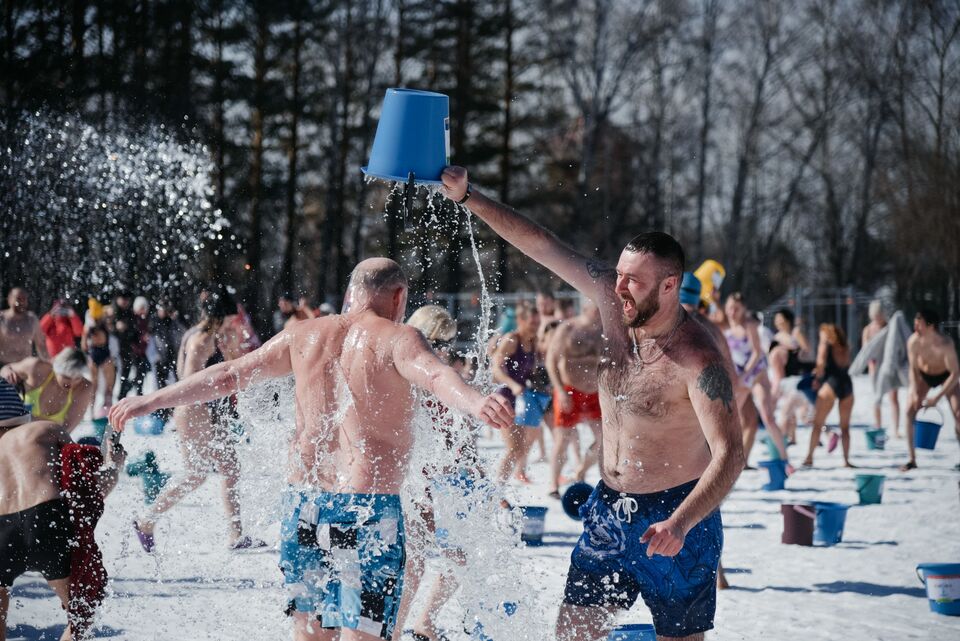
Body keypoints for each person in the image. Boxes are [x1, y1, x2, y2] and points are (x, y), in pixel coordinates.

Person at [109, 257, 512, 641]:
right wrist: (476, 403)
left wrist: (151, 400)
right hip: (367, 510)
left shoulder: (304, 334)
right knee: (364, 631)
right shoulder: (399, 338)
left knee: (309, 630)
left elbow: (232, 374)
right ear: (399, 295)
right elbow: (438, 376)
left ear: (352, 293)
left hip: (304, 506)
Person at [441, 167, 743, 641]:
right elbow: (542, 245)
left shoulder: (697, 359)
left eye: (634, 282)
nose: (619, 287)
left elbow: (730, 454)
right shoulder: (613, 301)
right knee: (572, 634)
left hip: (677, 517)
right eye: (619, 275)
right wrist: (468, 197)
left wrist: (681, 523)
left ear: (669, 286)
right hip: (609, 511)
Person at [129, 290, 262, 551]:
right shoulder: (201, 340)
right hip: (195, 410)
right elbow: (189, 379)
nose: (232, 324)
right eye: (229, 319)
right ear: (218, 317)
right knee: (197, 474)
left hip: (203, 409)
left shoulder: (207, 335)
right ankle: (146, 521)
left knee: (227, 467)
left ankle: (236, 534)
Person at [0, 379, 124, 641]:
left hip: (2, 530)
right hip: (46, 518)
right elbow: (86, 491)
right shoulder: (45, 429)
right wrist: (115, 466)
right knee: (81, 615)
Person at [723, 293, 791, 465]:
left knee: (767, 416)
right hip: (739, 377)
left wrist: (744, 375)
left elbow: (757, 352)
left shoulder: (749, 325)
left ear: (743, 309)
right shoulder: (724, 326)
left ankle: (784, 458)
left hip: (755, 373)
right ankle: (726, 459)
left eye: (736, 308)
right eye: (730, 307)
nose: (732, 312)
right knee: (729, 419)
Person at [545, 298, 603, 497]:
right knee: (562, 440)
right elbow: (551, 362)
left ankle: (582, 470)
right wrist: (560, 390)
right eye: (595, 307)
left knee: (604, 440)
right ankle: (553, 485)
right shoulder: (568, 329)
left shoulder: (603, 331)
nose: (598, 311)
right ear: (585, 306)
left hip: (595, 392)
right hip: (569, 390)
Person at [900, 309, 960, 471]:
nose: (915, 327)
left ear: (930, 326)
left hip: (946, 376)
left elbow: (955, 373)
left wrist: (937, 397)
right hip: (924, 377)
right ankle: (912, 459)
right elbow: (912, 369)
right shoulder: (913, 342)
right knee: (908, 411)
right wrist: (913, 390)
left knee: (958, 414)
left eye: (918, 324)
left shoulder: (945, 344)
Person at [491, 300, 541, 484]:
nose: (536, 326)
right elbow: (495, 368)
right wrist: (512, 384)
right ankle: (497, 487)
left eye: (538, 322)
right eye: (532, 323)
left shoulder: (533, 342)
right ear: (521, 320)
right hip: (504, 397)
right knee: (514, 448)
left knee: (520, 447)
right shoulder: (512, 339)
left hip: (521, 398)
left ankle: (505, 482)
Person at [0, 349, 94, 432]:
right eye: (66, 377)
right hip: (13, 429)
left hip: (42, 438)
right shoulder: (37, 367)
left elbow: (67, 429)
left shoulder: (83, 388)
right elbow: (6, 368)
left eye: (77, 378)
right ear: (56, 369)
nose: (72, 382)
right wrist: (7, 373)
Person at [802, 324, 856, 468]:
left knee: (817, 424)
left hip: (831, 383)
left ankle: (809, 458)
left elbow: (820, 364)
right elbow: (846, 364)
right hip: (847, 383)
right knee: (845, 427)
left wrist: (816, 378)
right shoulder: (844, 346)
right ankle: (846, 460)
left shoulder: (825, 344)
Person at [863, 301, 901, 438]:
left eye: (880, 315)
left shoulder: (890, 327)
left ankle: (896, 430)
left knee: (893, 398)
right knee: (877, 399)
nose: (878, 318)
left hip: (890, 367)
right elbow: (865, 352)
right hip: (875, 368)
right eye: (875, 316)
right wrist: (871, 367)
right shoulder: (868, 330)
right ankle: (878, 426)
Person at [0, 287, 48, 366]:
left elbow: (41, 345)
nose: (21, 302)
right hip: (4, 365)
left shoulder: (32, 319)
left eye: (24, 299)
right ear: (9, 299)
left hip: (25, 367)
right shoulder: (2, 318)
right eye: (18, 299)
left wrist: (49, 362)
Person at [151, 299, 185, 391]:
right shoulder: (154, 322)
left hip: (174, 355)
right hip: (160, 357)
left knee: (178, 381)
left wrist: (176, 319)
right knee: (160, 384)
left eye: (166, 309)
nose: (164, 312)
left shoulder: (174, 321)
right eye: (162, 309)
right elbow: (152, 341)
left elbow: (182, 332)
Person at [83, 322, 116, 413]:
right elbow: (84, 346)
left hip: (103, 354)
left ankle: (107, 409)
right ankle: (91, 410)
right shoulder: (89, 327)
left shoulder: (104, 322)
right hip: (95, 355)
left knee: (109, 385)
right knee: (94, 385)